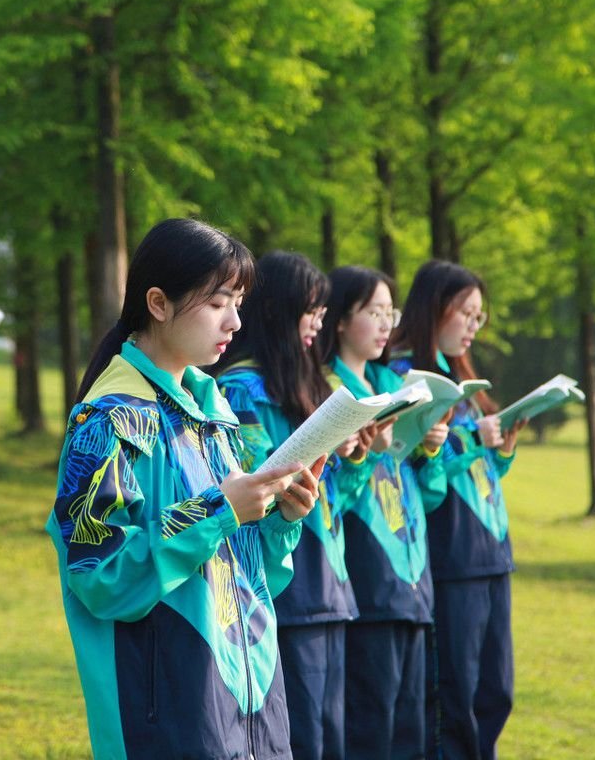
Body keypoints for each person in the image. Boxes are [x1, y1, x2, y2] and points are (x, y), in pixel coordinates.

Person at [48, 218, 321, 760]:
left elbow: (248, 574)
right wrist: (221, 509)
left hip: (250, 691)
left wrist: (279, 519)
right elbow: (101, 576)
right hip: (166, 702)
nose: (236, 322)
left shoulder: (214, 411)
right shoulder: (109, 421)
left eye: (239, 302)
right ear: (157, 302)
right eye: (219, 302)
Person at [213, 251, 372, 760]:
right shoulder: (239, 389)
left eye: (324, 313)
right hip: (282, 587)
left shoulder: (313, 388)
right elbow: (248, 482)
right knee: (297, 737)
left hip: (329, 582)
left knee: (330, 735)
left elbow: (336, 503)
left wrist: (351, 457)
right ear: (280, 310)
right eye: (311, 310)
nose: (317, 324)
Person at [387, 260, 525, 760]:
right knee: (455, 696)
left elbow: (478, 473)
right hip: (450, 557)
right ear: (434, 309)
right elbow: (407, 459)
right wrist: (468, 440)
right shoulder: (406, 378)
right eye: (465, 313)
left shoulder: (464, 382)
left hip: (492, 553)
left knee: (496, 690)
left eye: (479, 317)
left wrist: (499, 449)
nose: (472, 326)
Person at [318, 266, 448, 760]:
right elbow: (326, 497)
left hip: (413, 583)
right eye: (373, 312)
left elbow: (427, 496)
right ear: (339, 319)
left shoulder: (397, 385)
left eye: (389, 313)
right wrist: (364, 452)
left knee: (409, 731)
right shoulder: (326, 391)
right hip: (366, 584)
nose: (385, 323)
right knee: (369, 728)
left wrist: (430, 449)